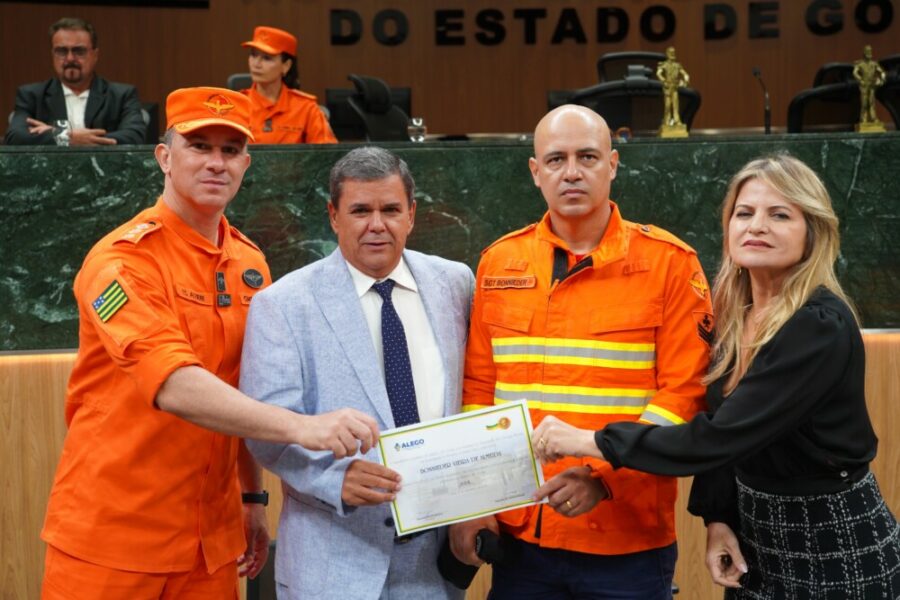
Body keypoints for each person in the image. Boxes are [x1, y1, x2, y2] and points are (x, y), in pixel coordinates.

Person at [40, 87, 379, 600]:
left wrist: (251, 498)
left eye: (229, 150)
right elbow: (174, 384)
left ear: (246, 163)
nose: (216, 163)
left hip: (211, 545)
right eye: (199, 146)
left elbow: (247, 387)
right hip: (114, 539)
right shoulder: (122, 262)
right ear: (164, 157)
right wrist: (303, 427)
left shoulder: (250, 264)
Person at [533, 154, 900, 599]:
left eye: (779, 215)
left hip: (833, 542)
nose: (756, 226)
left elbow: (718, 437)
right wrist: (719, 517)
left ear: (813, 232)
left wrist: (589, 441)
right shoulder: (730, 316)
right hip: (756, 540)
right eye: (744, 213)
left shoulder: (818, 326)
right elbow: (729, 435)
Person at [450, 104, 713, 599]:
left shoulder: (670, 265)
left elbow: (684, 398)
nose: (571, 172)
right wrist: (476, 502)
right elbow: (478, 394)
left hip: (626, 538)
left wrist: (602, 477)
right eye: (555, 160)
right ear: (535, 172)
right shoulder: (499, 262)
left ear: (612, 164)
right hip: (523, 534)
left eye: (587, 157)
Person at [241, 146, 474, 600]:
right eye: (360, 210)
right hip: (333, 563)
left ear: (412, 214)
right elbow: (264, 428)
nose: (376, 224)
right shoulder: (283, 304)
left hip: (434, 566)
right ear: (333, 216)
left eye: (390, 209)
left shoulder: (455, 283)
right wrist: (334, 478)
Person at [5, 17, 146, 146]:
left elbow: (135, 135)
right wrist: (65, 136)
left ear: (95, 55)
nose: (70, 58)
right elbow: (15, 137)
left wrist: (70, 136)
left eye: (79, 51)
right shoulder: (32, 95)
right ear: (52, 54)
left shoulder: (121, 95)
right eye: (61, 51)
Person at [239, 25, 337, 144]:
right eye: (253, 55)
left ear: (286, 66)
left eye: (266, 58)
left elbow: (327, 156)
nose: (256, 64)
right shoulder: (237, 105)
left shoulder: (306, 108)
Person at [656, 46, 690, 128]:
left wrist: (686, 80)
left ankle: (677, 121)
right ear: (667, 54)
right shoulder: (664, 64)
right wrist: (664, 81)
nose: (672, 54)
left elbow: (685, 74)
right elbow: (658, 73)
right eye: (671, 53)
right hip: (667, 87)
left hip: (675, 87)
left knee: (675, 105)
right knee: (667, 105)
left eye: (673, 53)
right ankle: (666, 121)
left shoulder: (677, 65)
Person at [853, 44, 886, 126]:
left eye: (870, 52)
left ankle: (873, 119)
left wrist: (881, 79)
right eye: (867, 52)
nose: (869, 53)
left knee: (871, 102)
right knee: (864, 103)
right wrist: (860, 79)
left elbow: (882, 72)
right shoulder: (860, 64)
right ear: (864, 53)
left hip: (871, 85)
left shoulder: (874, 64)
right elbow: (855, 72)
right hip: (864, 85)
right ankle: (863, 119)